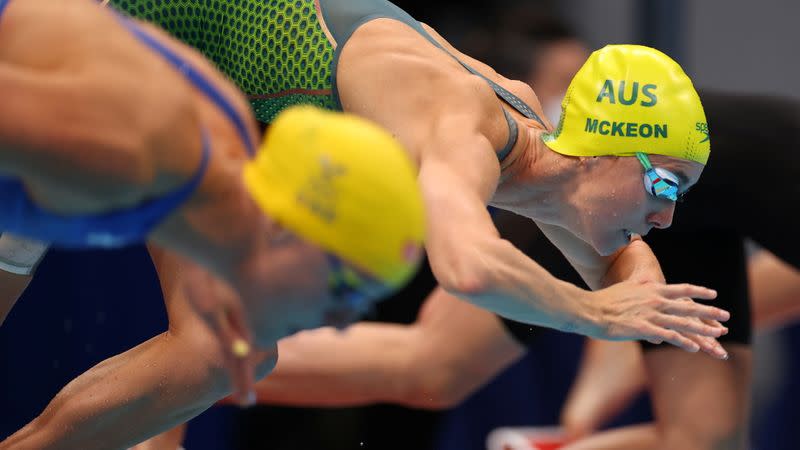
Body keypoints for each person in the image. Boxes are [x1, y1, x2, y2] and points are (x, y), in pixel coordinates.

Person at [108, 0, 730, 355]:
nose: (667, 217)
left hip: (191, 78)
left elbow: (620, 267)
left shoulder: (539, 163)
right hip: (120, 30)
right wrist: (597, 316)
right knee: (214, 351)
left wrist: (644, 297)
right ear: (608, 152)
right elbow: (467, 268)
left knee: (213, 356)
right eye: (665, 186)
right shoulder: (467, 126)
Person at [0, 0, 425, 404]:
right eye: (346, 289)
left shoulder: (208, 158)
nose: (342, 322)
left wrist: (224, 274)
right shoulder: (129, 152)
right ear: (284, 229)